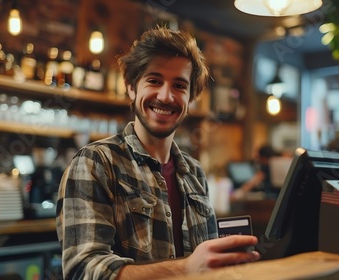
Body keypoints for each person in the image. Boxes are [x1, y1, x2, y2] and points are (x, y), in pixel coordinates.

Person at [56, 27, 260, 280]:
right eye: (154, 80)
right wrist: (185, 268)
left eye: (179, 85)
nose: (166, 96)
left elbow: (205, 268)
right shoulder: (95, 162)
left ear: (191, 98)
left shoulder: (194, 172)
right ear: (131, 87)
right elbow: (83, 270)